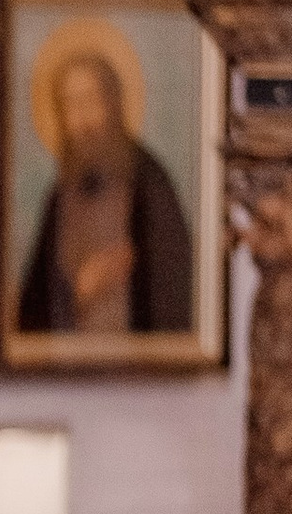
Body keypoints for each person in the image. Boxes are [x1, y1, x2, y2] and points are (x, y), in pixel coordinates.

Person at [17, 38, 194, 336]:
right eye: (71, 104)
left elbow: (175, 288)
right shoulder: (60, 196)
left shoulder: (150, 183)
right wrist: (79, 292)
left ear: (113, 104)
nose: (82, 120)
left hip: (138, 359)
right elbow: (34, 312)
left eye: (91, 100)